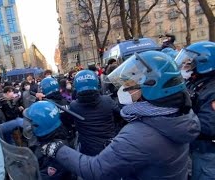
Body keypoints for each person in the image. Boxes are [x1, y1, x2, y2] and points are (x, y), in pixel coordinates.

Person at [41, 51, 200, 180]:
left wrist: (58, 149)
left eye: (131, 85)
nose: (125, 90)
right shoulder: (182, 114)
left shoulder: (138, 135)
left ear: (152, 89)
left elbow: (96, 170)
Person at [175, 41, 215, 179]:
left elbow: (209, 126)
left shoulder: (212, 90)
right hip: (196, 148)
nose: (186, 66)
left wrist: (180, 120)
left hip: (208, 154)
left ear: (204, 63)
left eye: (190, 63)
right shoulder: (198, 82)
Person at [70, 70, 121, 156]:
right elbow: (120, 115)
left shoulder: (73, 106)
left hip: (88, 151)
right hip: (110, 148)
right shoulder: (107, 100)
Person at [23, 101, 73, 179]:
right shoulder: (48, 137)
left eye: (30, 122)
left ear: (40, 125)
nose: (28, 125)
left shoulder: (56, 153)